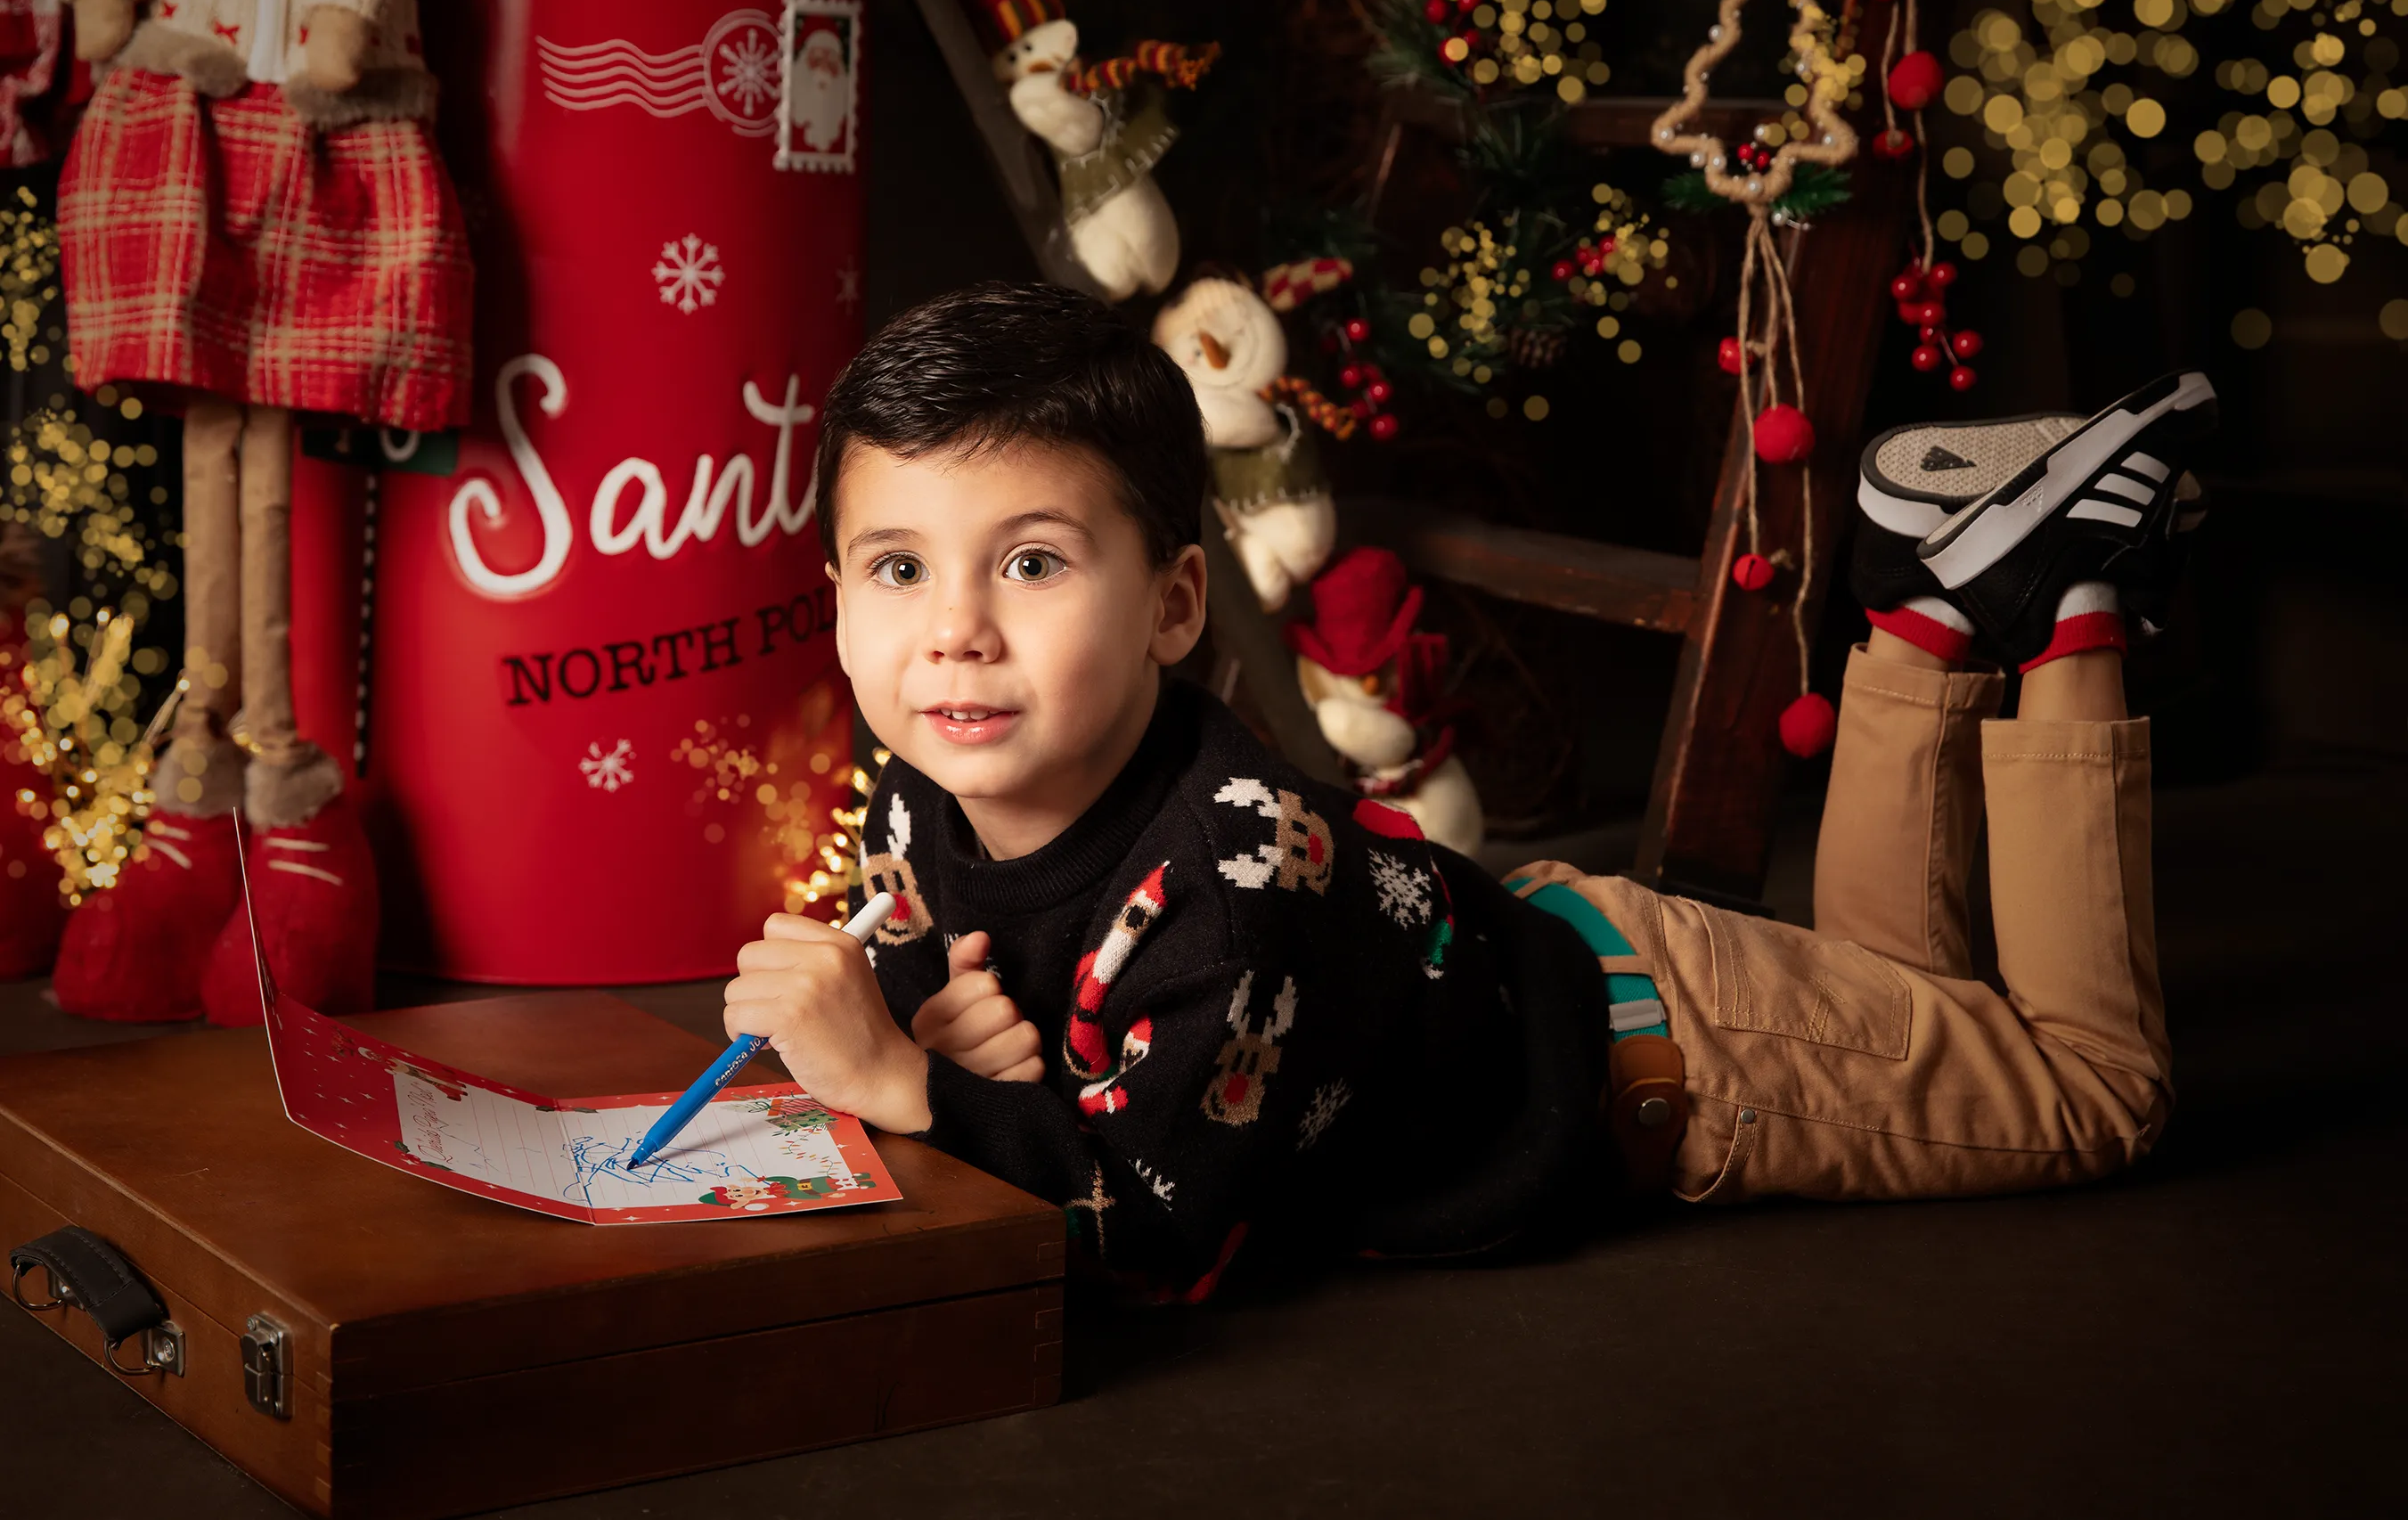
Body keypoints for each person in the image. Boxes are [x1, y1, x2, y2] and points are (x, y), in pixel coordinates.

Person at [721, 282, 2214, 1297]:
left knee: (2092, 1088)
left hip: (1677, 1057)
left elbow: (1164, 1236)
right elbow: (931, 963)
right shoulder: (924, 776)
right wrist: (929, 1025)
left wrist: (911, 1083)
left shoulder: (1231, 880)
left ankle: (2070, 600)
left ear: (1175, 604)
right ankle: (1927, 604)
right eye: (897, 567)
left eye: (1032, 561)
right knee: (1911, 986)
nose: (954, 630)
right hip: (1533, 958)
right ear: (836, 592)